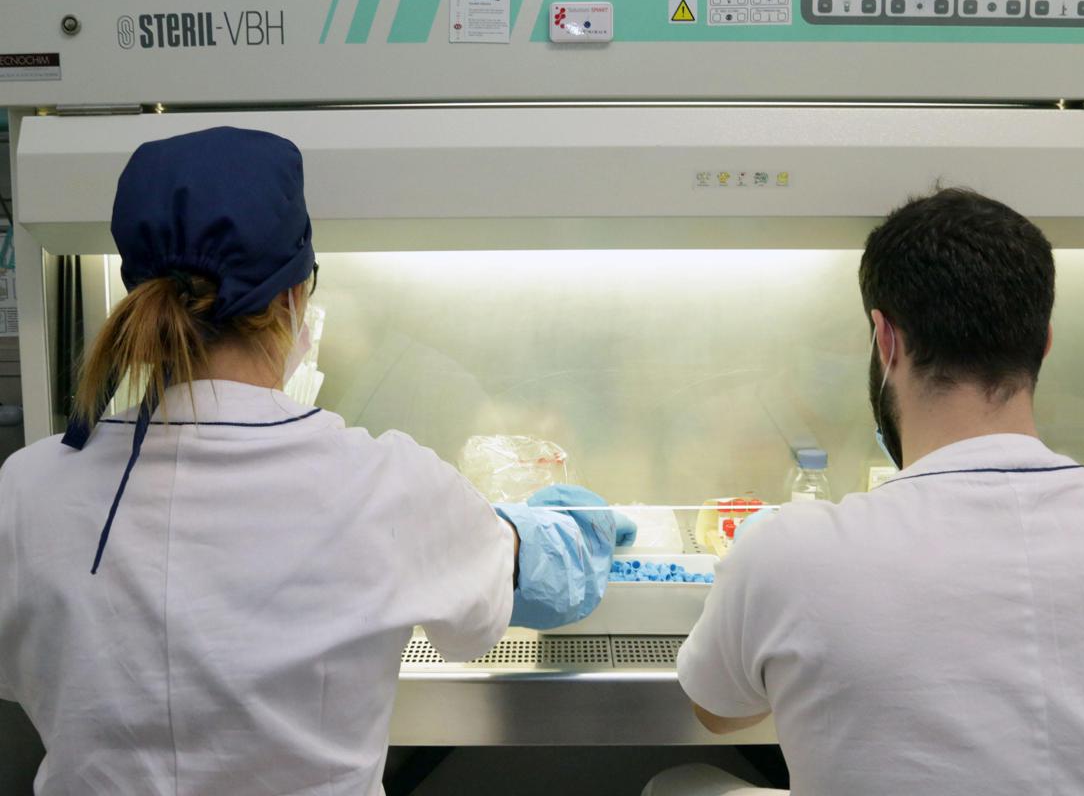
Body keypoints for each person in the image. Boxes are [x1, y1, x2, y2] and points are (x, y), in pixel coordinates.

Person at [0, 126, 633, 794]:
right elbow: (531, 579)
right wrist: (575, 527)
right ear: (292, 298)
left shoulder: (26, 488)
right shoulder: (386, 486)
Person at [646, 188, 1084, 796]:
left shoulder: (791, 551)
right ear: (1043, 341)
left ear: (885, 340)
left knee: (680, 783)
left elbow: (717, 710)